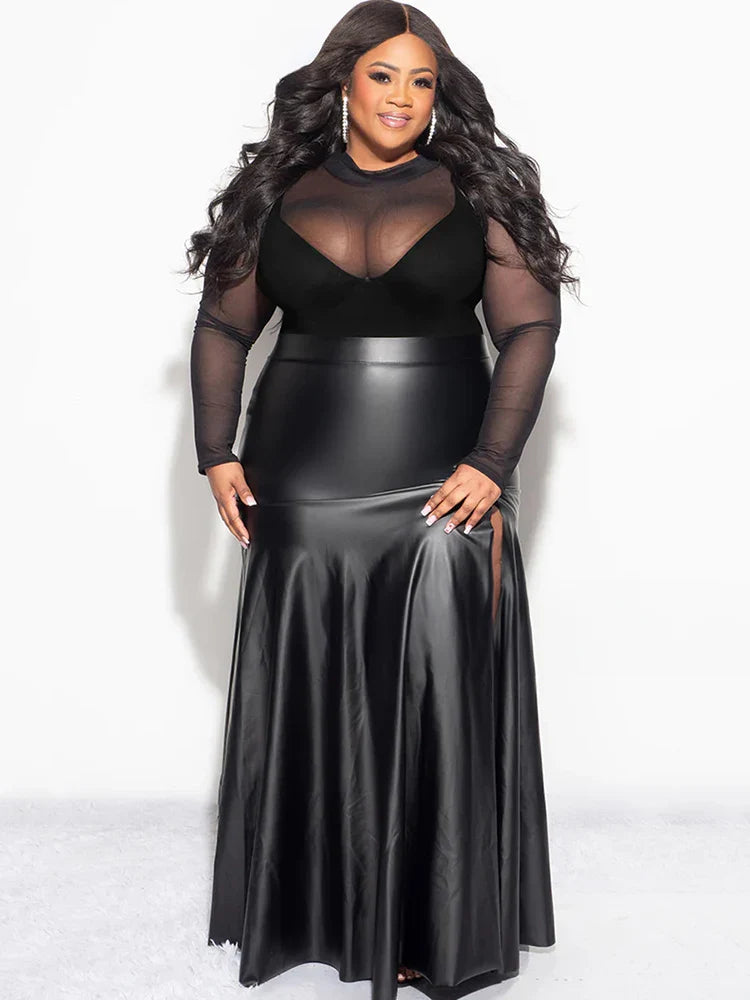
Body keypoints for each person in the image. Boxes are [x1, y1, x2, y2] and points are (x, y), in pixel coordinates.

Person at [184, 3, 577, 998]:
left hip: (441, 470)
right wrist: (216, 452)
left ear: (439, 96)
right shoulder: (278, 190)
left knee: (438, 682)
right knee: (318, 682)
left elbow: (530, 328)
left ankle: (428, 927)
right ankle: (311, 912)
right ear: (344, 84)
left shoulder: (480, 188)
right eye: (383, 76)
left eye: (422, 81)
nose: (402, 98)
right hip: (301, 476)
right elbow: (225, 327)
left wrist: (492, 459)